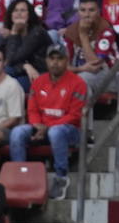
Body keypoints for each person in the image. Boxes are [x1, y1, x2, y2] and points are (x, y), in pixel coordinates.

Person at [12, 47, 87, 198]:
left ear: (66, 60)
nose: (55, 63)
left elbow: (74, 115)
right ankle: (18, 176)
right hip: (43, 128)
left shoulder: (78, 83)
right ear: (46, 61)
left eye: (59, 59)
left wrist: (46, 127)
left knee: (56, 132)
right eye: (52, 59)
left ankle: (61, 178)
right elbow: (32, 110)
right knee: (17, 132)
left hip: (69, 131)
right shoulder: (39, 81)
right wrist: (37, 125)